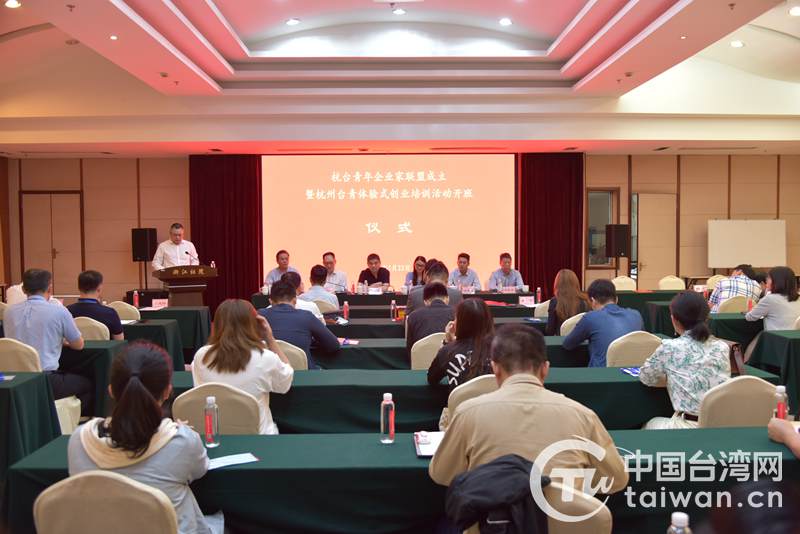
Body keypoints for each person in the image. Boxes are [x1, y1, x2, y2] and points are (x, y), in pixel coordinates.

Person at [429, 324, 628, 494]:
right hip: (562, 521)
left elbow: (441, 474)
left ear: (495, 368)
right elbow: (616, 479)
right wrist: (573, 481)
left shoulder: (467, 413)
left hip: (491, 521)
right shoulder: (582, 416)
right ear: (545, 369)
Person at [69, 342, 219, 534]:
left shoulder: (79, 440)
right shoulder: (182, 441)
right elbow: (200, 469)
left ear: (111, 390)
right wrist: (178, 430)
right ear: (167, 391)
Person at [192, 299, 293, 435]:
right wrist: (269, 338)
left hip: (216, 435)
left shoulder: (201, 356)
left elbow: (198, 388)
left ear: (216, 324)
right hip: (259, 437)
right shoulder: (265, 358)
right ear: (254, 324)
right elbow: (285, 383)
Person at [639, 291, 730, 429]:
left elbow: (646, 377)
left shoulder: (669, 347)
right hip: (722, 424)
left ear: (674, 319)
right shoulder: (722, 347)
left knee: (649, 424)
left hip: (687, 426)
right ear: (707, 318)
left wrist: (669, 378)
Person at [4, 269, 90, 413]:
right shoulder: (59, 311)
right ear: (50, 288)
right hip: (45, 380)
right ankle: (62, 424)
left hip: (15, 380)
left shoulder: (9, 312)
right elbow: (78, 345)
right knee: (86, 384)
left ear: (24, 289)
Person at [258, 280, 340, 369]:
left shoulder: (259, 316)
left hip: (268, 373)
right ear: (295, 300)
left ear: (270, 301)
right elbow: (333, 345)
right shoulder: (306, 316)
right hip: (304, 374)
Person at [562, 279, 643, 367]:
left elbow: (568, 344)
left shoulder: (590, 318)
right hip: (634, 371)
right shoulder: (636, 315)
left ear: (593, 301)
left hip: (602, 373)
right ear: (616, 299)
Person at [427, 298, 494, 390]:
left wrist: (447, 342)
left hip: (462, 400)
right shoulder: (502, 349)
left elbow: (431, 378)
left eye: (455, 318)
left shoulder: (447, 351)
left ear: (460, 322)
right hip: (497, 399)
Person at [67, 270, 124, 341]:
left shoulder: (66, 311)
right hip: (102, 349)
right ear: (99, 288)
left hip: (72, 348)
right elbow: (119, 341)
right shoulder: (110, 313)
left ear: (79, 287)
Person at [406, 283, 455, 356]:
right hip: (451, 360)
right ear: (447, 298)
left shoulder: (413, 316)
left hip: (421, 360)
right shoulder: (458, 313)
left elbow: (410, 348)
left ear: (425, 302)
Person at [746, 266, 800, 331]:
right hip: (795, 336)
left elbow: (750, 317)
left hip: (776, 336)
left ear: (777, 281)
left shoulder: (770, 299)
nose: (766, 280)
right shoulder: (798, 298)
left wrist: (751, 310)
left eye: (768, 278)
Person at [545, 269, 590, 336]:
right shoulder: (586, 301)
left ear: (557, 284)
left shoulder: (555, 302)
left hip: (561, 341)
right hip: (582, 340)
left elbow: (550, 331)